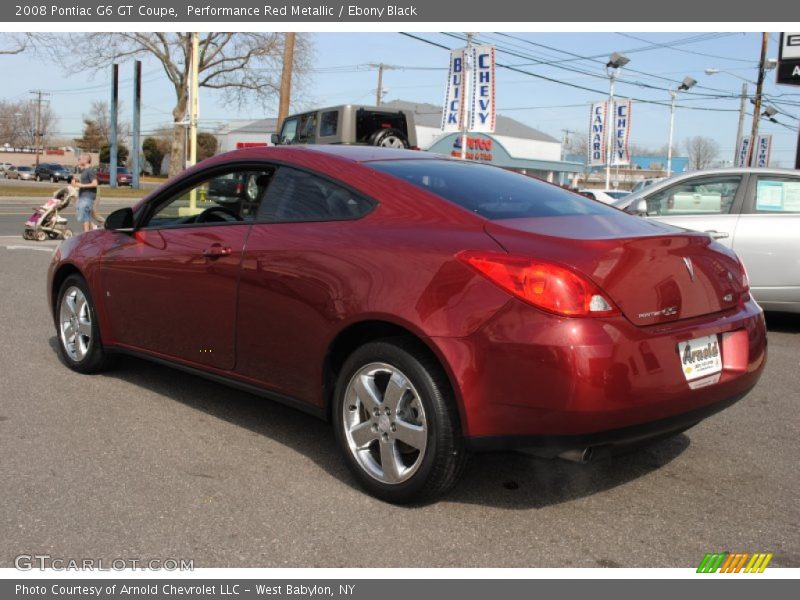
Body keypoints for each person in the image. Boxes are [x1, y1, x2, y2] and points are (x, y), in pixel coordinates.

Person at [71, 154, 99, 233]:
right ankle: (89, 231)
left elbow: (95, 183)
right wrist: (76, 184)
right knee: (84, 217)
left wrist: (82, 185)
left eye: (80, 159)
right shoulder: (84, 171)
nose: (79, 160)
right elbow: (78, 184)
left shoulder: (90, 170)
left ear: (86, 160)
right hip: (82, 196)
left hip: (88, 197)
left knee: (84, 216)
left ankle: (90, 230)